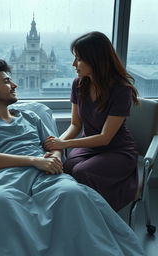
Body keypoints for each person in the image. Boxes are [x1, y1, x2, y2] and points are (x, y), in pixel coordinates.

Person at [0, 59, 144, 256]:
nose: (14, 85)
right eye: (7, 81)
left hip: (45, 173)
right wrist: (35, 160)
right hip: (4, 177)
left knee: (72, 192)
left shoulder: (30, 116)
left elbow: (53, 145)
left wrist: (54, 158)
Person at [44, 31, 139, 212]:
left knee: (82, 172)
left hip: (117, 149)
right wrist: (57, 146)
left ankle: (96, 216)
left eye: (79, 59)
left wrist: (63, 144)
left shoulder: (121, 90)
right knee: (68, 166)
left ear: (96, 60)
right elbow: (76, 124)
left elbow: (105, 138)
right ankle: (77, 213)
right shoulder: (78, 84)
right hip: (89, 146)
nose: (73, 64)